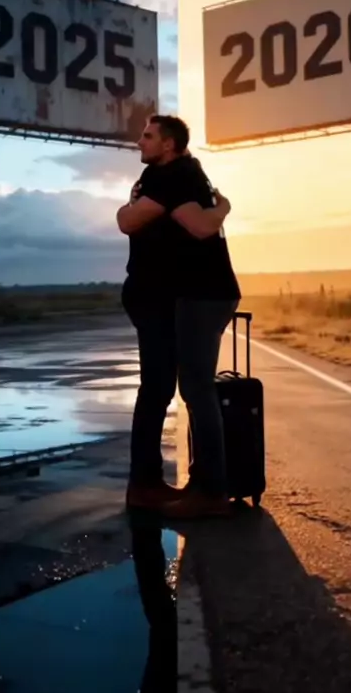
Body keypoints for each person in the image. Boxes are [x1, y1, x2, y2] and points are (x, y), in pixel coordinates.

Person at [117, 115, 241, 519]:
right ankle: (149, 485)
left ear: (168, 144)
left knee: (189, 388)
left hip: (193, 295)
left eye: (148, 136)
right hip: (168, 297)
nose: (140, 142)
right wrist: (222, 206)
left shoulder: (173, 176)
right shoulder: (177, 174)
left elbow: (131, 221)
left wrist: (223, 208)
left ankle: (208, 489)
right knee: (165, 388)